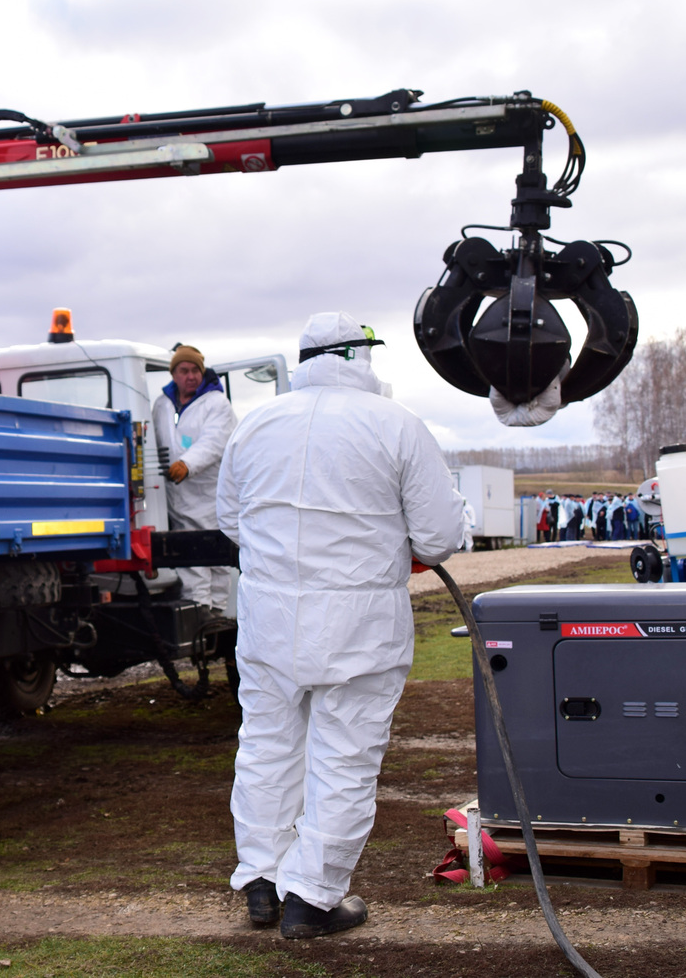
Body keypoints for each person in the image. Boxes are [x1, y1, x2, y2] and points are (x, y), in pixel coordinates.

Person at [216, 312, 465, 939]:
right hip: (359, 625)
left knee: (268, 747)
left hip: (271, 621)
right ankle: (314, 898)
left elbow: (231, 520)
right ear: (358, 356)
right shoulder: (396, 425)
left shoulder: (257, 424)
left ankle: (263, 880)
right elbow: (437, 536)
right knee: (343, 757)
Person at [150, 343, 237, 616]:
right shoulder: (162, 404)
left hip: (210, 494)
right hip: (178, 495)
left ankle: (217, 611)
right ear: (173, 374)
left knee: (216, 554)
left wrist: (187, 464)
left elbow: (214, 442)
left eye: (195, 371)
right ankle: (199, 608)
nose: (190, 376)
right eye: (184, 370)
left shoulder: (216, 404)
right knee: (190, 555)